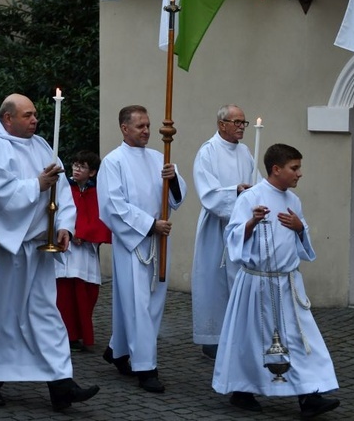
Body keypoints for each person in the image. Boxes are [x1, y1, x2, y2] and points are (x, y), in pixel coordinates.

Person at [0, 94, 99, 412]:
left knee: (46, 316)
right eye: (27, 115)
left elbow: (62, 191)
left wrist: (64, 225)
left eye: (35, 115)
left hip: (37, 251)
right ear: (7, 119)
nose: (34, 120)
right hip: (2, 253)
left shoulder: (42, 145)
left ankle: (61, 384)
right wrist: (36, 185)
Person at [212, 144, 340, 419]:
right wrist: (251, 223)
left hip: (288, 285)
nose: (299, 174)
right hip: (257, 284)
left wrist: (299, 228)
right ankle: (242, 391)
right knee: (251, 338)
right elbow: (232, 238)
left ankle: (310, 394)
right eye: (294, 168)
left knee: (300, 339)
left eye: (298, 167)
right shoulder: (250, 198)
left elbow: (301, 240)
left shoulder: (293, 201)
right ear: (276, 169)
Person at [97, 105, 186, 394]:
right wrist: (149, 225)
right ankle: (146, 367)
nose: (147, 131)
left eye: (148, 125)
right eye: (140, 126)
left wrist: (172, 179)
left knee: (150, 303)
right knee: (138, 304)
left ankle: (119, 350)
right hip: (134, 242)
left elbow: (175, 199)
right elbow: (112, 206)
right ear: (125, 128)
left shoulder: (160, 158)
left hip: (159, 241)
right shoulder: (113, 162)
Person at [192, 105, 260, 360]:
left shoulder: (244, 151)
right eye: (237, 122)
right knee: (215, 283)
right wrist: (236, 192)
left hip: (242, 228)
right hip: (216, 228)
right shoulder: (207, 152)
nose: (242, 127)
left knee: (237, 281)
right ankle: (213, 338)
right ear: (222, 124)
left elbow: (258, 181)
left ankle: (238, 335)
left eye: (244, 122)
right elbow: (208, 194)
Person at [55, 150, 111, 353]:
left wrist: (85, 234)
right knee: (65, 294)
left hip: (86, 251)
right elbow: (59, 211)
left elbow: (100, 219)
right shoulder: (64, 188)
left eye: (83, 166)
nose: (77, 169)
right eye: (75, 165)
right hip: (67, 250)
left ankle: (81, 333)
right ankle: (66, 335)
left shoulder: (97, 193)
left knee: (86, 294)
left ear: (93, 172)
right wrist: (69, 230)